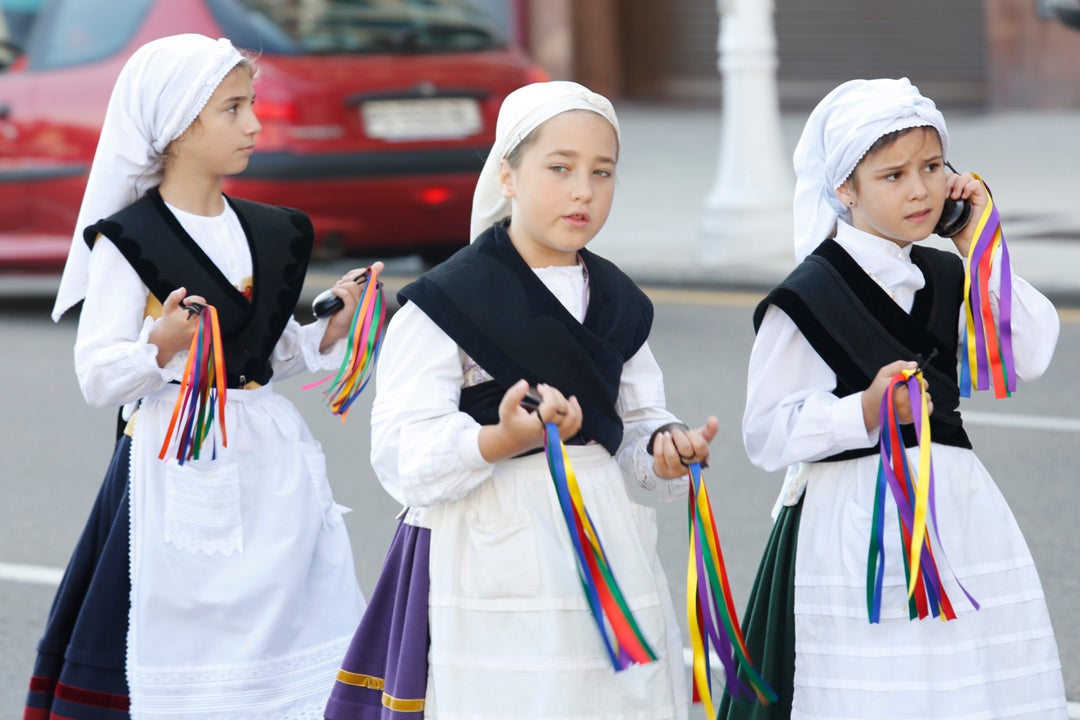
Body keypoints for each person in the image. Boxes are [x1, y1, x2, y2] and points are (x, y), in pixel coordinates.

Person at [324, 81, 719, 719]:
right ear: (506, 175)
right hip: (485, 541)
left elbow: (639, 421)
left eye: (602, 172)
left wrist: (668, 450)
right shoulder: (446, 302)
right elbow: (400, 453)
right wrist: (498, 439)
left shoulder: (619, 302)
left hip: (605, 544)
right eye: (559, 168)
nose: (583, 190)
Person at [25, 34, 371, 719]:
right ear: (176, 127)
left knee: (294, 623)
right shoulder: (131, 241)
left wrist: (328, 332)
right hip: (176, 461)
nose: (255, 124)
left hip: (272, 465)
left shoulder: (272, 231)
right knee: (189, 633)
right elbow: (98, 376)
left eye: (251, 105)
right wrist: (159, 344)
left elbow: (260, 358)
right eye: (233, 109)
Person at [717, 78, 1068, 719]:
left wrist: (976, 240)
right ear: (845, 188)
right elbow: (767, 432)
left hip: (960, 515)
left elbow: (1031, 352)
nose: (920, 189)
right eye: (894, 175)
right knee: (880, 687)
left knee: (965, 681)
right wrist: (862, 411)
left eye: (933, 167)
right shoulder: (809, 294)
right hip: (854, 524)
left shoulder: (945, 274)